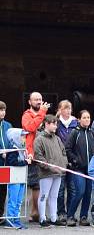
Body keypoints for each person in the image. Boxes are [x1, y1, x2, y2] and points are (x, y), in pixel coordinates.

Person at [33, 115, 67, 228]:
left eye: (56, 124)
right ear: (47, 124)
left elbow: (63, 152)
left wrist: (64, 164)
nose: (56, 126)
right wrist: (50, 167)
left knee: (54, 196)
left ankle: (53, 218)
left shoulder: (57, 138)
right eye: (54, 124)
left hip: (58, 172)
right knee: (44, 195)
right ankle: (42, 219)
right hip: (46, 173)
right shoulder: (39, 139)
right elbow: (38, 156)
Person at [22, 92, 50, 223]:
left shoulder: (44, 115)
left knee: (45, 183)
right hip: (33, 154)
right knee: (36, 185)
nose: (39, 102)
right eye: (36, 100)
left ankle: (41, 211)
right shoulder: (27, 115)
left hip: (45, 153)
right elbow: (30, 127)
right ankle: (35, 212)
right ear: (29, 102)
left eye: (40, 99)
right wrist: (42, 113)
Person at [55, 100, 77, 222]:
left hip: (72, 160)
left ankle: (70, 213)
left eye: (69, 108)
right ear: (60, 110)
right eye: (65, 108)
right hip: (60, 160)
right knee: (60, 189)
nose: (67, 111)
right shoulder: (56, 124)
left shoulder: (75, 123)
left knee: (72, 189)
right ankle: (61, 212)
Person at [2, 128, 28, 229]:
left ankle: (16, 219)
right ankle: (10, 219)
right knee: (13, 199)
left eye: (24, 136)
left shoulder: (22, 149)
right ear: (15, 137)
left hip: (20, 178)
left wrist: (27, 159)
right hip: (14, 178)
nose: (24, 138)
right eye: (22, 136)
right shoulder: (13, 149)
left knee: (19, 200)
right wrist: (25, 162)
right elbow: (12, 162)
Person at [0, 100, 11, 221]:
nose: (2, 112)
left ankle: (0, 214)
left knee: (3, 190)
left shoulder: (8, 126)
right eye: (0, 110)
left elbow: (11, 141)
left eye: (3, 110)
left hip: (5, 164)